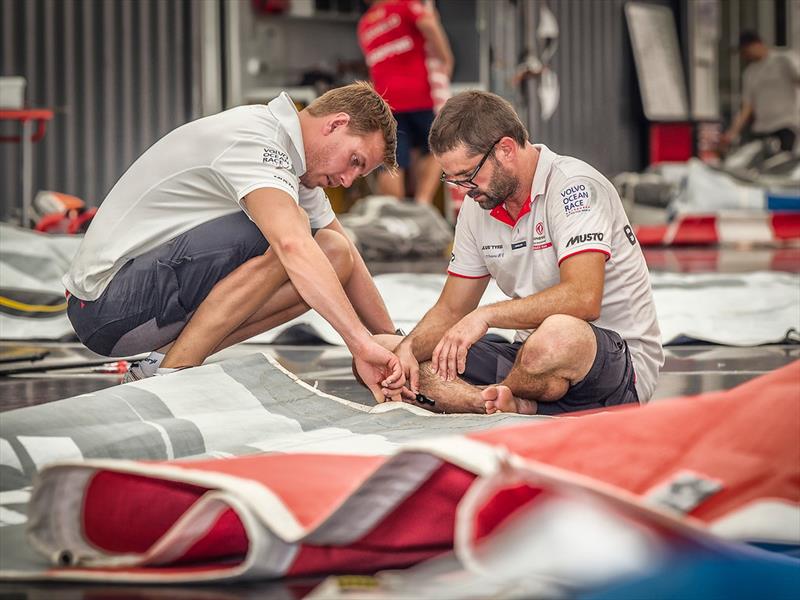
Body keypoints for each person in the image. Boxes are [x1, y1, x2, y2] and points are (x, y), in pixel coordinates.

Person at [63, 82, 405, 401]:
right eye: (354, 161)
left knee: (333, 255)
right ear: (335, 124)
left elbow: (348, 258)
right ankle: (171, 374)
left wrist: (398, 348)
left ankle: (161, 365)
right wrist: (359, 343)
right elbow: (291, 246)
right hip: (106, 306)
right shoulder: (257, 138)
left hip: (137, 309)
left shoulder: (298, 169)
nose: (347, 181)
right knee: (295, 232)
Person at [368, 91, 663, 415]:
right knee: (380, 353)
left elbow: (583, 298)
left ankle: (505, 398)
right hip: (528, 362)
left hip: (610, 368)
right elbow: (452, 308)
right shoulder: (478, 203)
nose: (461, 189)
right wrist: (407, 350)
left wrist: (486, 315)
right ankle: (496, 403)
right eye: (451, 179)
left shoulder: (574, 187)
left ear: (506, 149)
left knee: (557, 336)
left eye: (467, 176)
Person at [357, 0, 454, 205]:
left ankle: (394, 216)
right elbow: (429, 24)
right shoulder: (405, 5)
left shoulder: (365, 24)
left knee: (393, 159)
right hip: (419, 94)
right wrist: (446, 59)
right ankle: (422, 203)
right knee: (438, 146)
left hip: (384, 100)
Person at [721, 30, 800, 154]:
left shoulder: (783, 60)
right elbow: (747, 107)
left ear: (757, 44)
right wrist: (732, 133)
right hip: (761, 128)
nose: (745, 55)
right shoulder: (749, 73)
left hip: (785, 125)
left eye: (746, 51)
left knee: (781, 164)